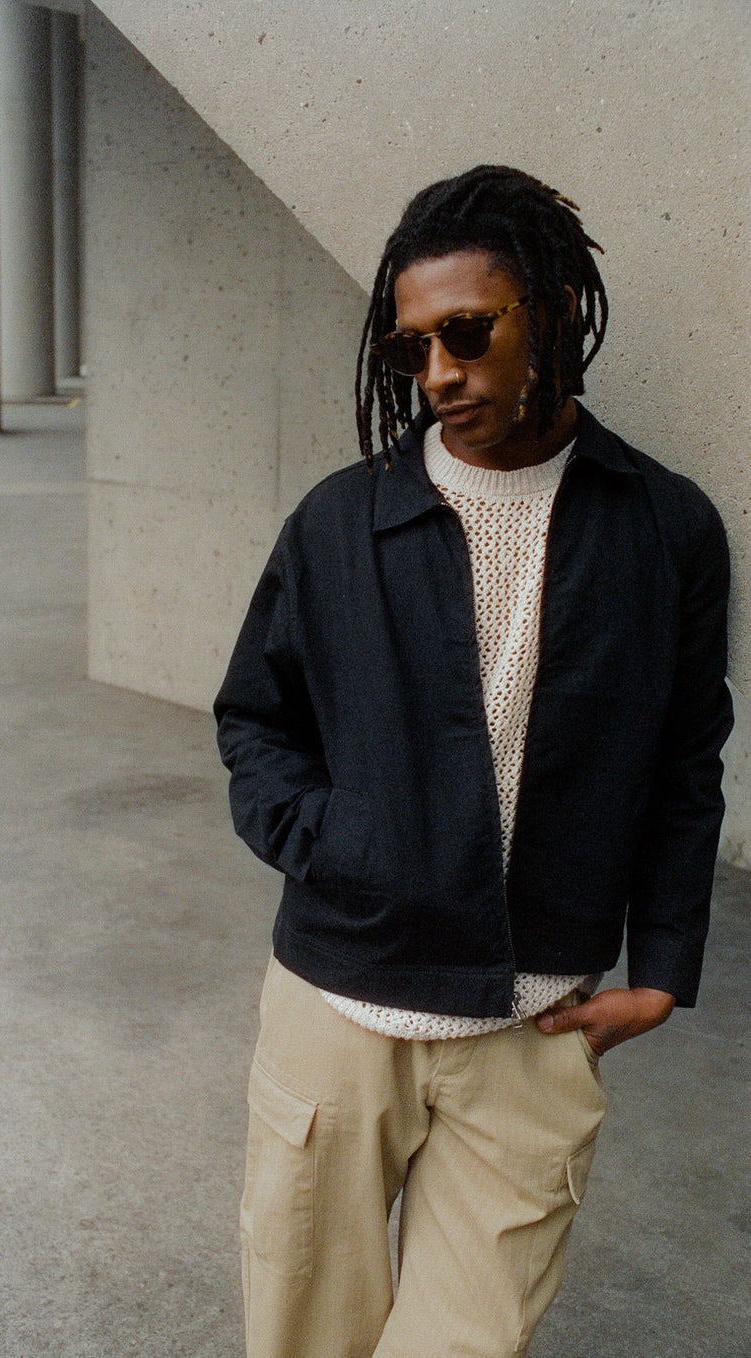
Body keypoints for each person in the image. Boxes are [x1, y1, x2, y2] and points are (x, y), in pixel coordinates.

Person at [213, 165, 733, 1358]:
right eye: (412, 349)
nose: (439, 373)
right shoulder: (341, 522)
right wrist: (341, 846)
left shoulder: (665, 526)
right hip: (338, 1012)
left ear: (551, 310)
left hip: (531, 1029)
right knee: (304, 1334)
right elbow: (256, 717)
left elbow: (685, 755)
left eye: (466, 332)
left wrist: (662, 958)